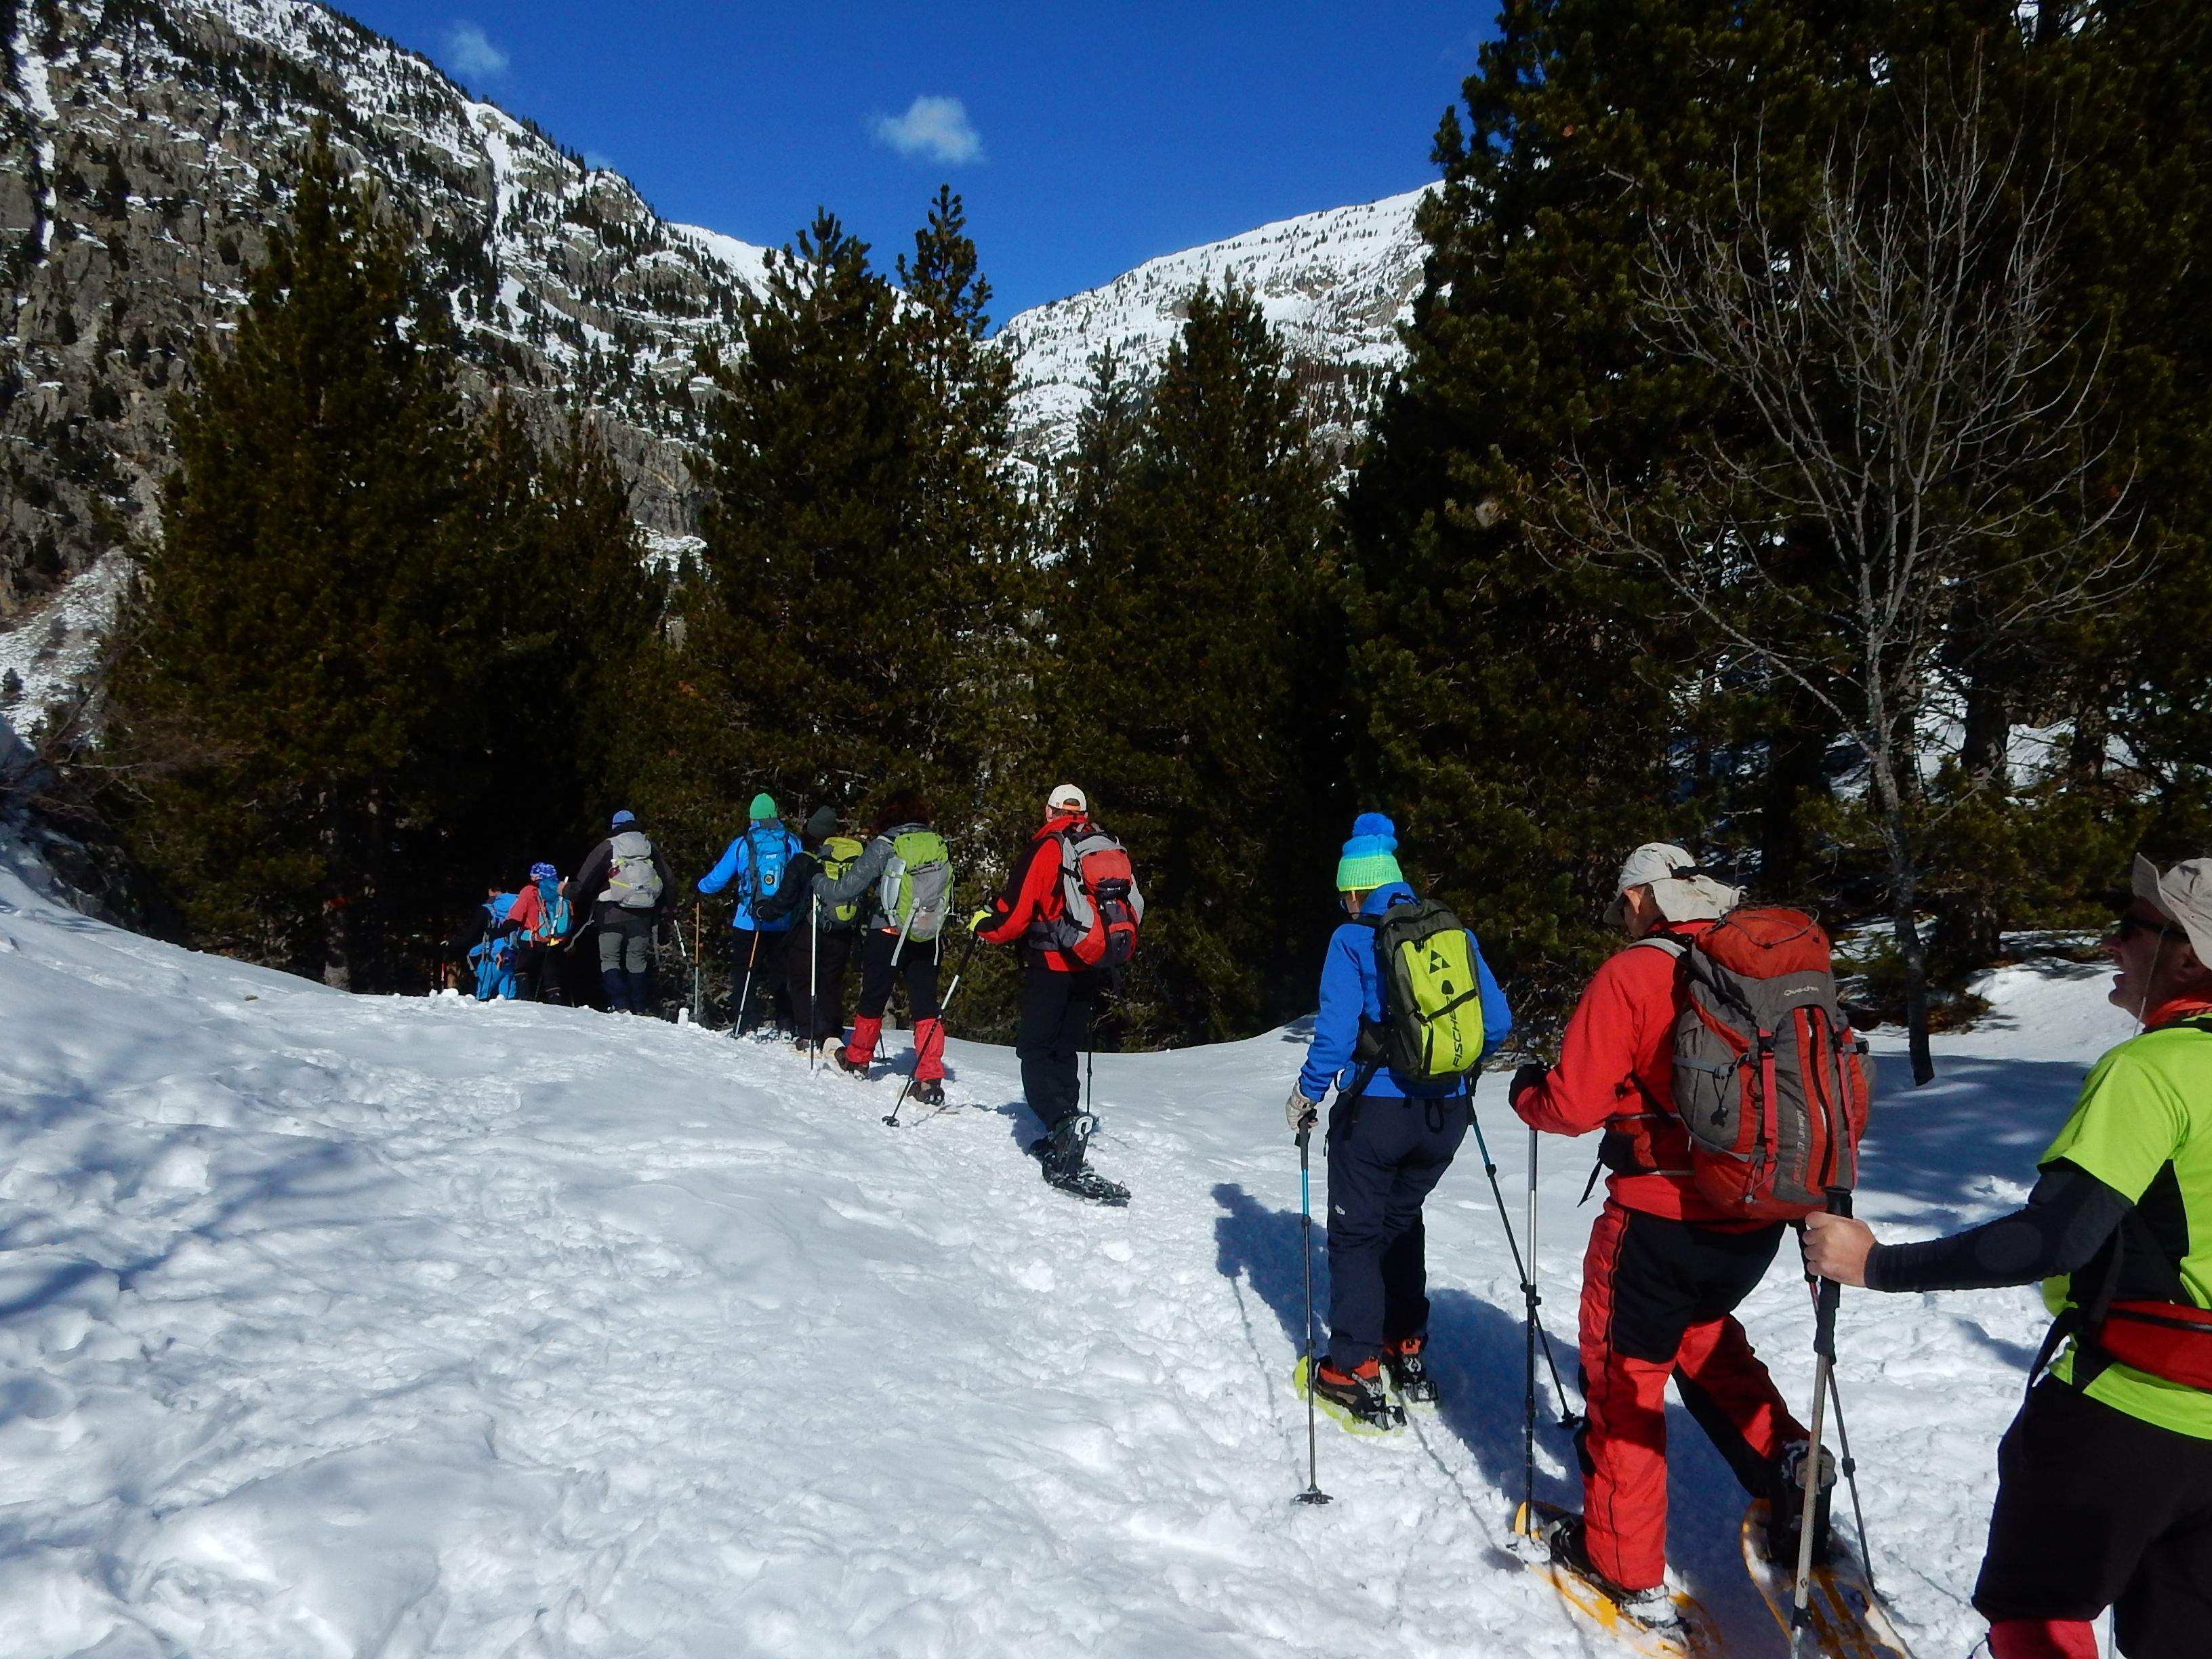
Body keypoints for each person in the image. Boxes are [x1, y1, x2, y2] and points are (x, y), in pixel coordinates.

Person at [1805, 854, 2212, 1659]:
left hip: (2125, 1412)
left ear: (2189, 955)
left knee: (2038, 1620)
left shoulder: (2153, 1071)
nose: (2111, 945)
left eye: (2132, 928)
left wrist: (1877, 1264)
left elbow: (2052, 1238)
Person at [1509, 841, 1825, 1632]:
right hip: (1757, 1218)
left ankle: (1623, 1568)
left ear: (1646, 898)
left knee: (1625, 1383)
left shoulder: (1634, 974)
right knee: (1706, 1338)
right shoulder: (1764, 973)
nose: (1623, 918)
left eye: (1625, 905)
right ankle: (1789, 1461)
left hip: (1658, 1217)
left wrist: (1527, 1094)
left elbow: (1574, 1107)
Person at [1285, 813, 1511, 1427]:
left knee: (1357, 1235)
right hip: (1447, 1115)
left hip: (1377, 1114)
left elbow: (1333, 1034)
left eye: (1343, 892)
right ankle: (1405, 1346)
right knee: (1401, 1220)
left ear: (1356, 888)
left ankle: (1351, 1367)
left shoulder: (1352, 939)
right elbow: (1497, 1024)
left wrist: (1307, 1094)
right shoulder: (1452, 932)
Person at [975, 783, 1118, 1185]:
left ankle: (1061, 1124)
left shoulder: (1049, 847)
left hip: (1051, 963)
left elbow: (1016, 916)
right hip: (1088, 962)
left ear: (1049, 811)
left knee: (1035, 1048)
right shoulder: (1101, 844)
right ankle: (1068, 1124)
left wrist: (985, 928)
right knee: (1064, 1047)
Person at [811, 792, 949, 1107]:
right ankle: (930, 1076)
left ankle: (858, 1058)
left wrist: (818, 881)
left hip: (887, 930)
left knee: (874, 995)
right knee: (926, 1004)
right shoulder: (937, 844)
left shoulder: (885, 844)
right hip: (927, 933)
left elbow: (847, 889)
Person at [756, 805, 857, 1057]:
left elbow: (785, 899)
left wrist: (763, 912)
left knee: (803, 982)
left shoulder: (803, 861)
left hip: (808, 930)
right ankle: (832, 1032)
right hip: (842, 931)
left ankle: (809, 1033)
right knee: (831, 982)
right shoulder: (846, 861)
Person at [698, 794, 803, 1035]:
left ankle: (746, 1023)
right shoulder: (791, 842)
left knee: (745, 972)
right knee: (782, 973)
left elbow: (717, 879)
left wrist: (701, 887)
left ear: (752, 818)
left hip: (749, 921)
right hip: (783, 920)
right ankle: (786, 1023)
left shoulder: (743, 844)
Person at [569, 809, 675, 1013]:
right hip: (643, 914)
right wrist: (667, 910)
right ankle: (639, 1007)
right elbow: (668, 880)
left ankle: (620, 1005)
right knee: (637, 962)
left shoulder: (608, 847)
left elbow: (585, 884)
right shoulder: (648, 847)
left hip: (610, 913)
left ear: (614, 827)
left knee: (610, 960)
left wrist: (566, 891)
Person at [505, 861, 572, 1004]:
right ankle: (557, 1004)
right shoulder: (562, 890)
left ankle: (526, 1001)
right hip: (554, 940)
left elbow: (517, 915)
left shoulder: (529, 891)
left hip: (530, 939)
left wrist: (501, 931)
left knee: (522, 969)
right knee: (551, 976)